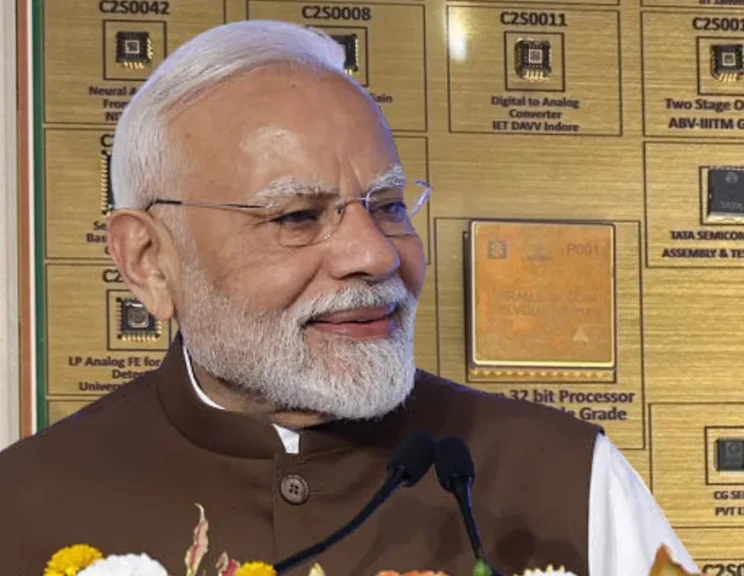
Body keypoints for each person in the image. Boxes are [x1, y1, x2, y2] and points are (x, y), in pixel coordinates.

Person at [0, 21, 697, 575]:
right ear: (149, 262)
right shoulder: (23, 509)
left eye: (388, 206)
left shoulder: (565, 478)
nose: (376, 254)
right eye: (297, 216)